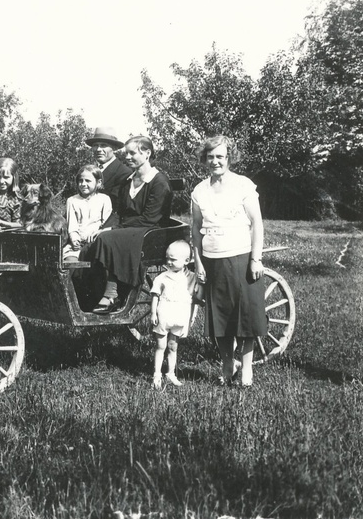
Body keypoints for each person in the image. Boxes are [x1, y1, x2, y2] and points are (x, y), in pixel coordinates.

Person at [190, 135, 266, 389]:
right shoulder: (199, 191)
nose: (215, 161)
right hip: (213, 259)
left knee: (245, 316)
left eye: (220, 156)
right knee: (220, 318)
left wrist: (256, 259)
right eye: (210, 156)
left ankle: (246, 368)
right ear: (204, 159)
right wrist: (199, 263)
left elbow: (257, 223)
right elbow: (196, 228)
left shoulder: (243, 185)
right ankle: (226, 364)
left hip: (242, 257)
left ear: (229, 157)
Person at [84, 135, 174, 313]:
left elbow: (150, 218)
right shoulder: (128, 181)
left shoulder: (159, 182)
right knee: (91, 242)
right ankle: (89, 297)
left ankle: (112, 294)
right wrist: (102, 228)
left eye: (132, 153)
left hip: (150, 230)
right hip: (129, 228)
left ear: (147, 153)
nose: (127, 157)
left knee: (108, 238)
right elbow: (119, 212)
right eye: (126, 153)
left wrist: (114, 229)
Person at [150, 240, 199, 388]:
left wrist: (193, 315)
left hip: (180, 316)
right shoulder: (162, 277)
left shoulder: (191, 278)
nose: (169, 262)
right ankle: (157, 374)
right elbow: (155, 296)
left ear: (186, 261)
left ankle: (171, 373)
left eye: (173, 259)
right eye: (167, 258)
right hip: (164, 314)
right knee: (160, 345)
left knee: (173, 346)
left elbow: (194, 299)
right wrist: (153, 313)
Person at [63, 164, 112, 261]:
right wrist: (75, 240)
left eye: (88, 181)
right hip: (78, 245)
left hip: (97, 243)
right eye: (80, 181)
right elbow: (72, 225)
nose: (83, 184)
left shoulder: (104, 199)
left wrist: (97, 235)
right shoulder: (72, 200)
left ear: (98, 182)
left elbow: (106, 223)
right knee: (71, 262)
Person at [86, 126, 133, 210]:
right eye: (95, 145)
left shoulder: (124, 173)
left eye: (103, 145)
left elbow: (118, 207)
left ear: (114, 148)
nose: (98, 149)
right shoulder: (88, 171)